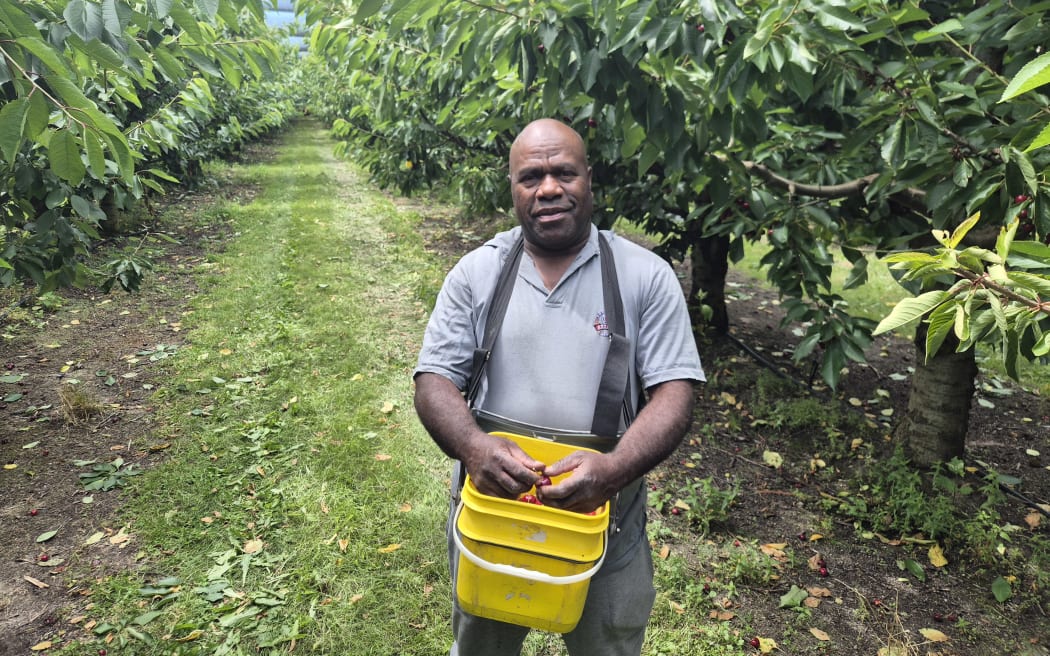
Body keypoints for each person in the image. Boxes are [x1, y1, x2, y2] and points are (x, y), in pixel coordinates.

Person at [413, 118, 704, 656]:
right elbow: (433, 380)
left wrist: (613, 471)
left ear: (589, 180)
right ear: (513, 188)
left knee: (608, 643)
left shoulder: (645, 276)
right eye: (531, 176)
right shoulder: (478, 273)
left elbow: (676, 392)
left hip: (601, 515)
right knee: (482, 644)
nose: (548, 188)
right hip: (496, 511)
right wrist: (476, 448)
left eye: (563, 172)